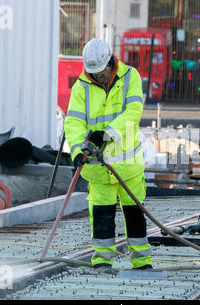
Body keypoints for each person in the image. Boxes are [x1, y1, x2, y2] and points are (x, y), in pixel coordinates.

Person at [64, 39, 152, 272]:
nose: (98, 76)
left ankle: (142, 262)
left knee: (134, 213)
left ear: (111, 62)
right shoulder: (81, 87)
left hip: (128, 165)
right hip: (98, 168)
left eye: (101, 71)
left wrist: (107, 134)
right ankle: (102, 260)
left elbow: (133, 112)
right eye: (93, 72)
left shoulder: (130, 77)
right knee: (101, 214)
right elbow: (73, 122)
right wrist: (76, 150)